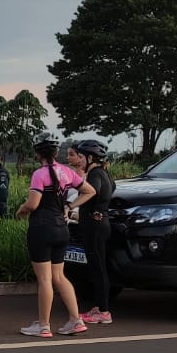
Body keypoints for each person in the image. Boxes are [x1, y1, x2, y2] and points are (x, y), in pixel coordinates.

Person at [16, 139, 96, 337]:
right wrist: (69, 206)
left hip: (42, 228)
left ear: (38, 155)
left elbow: (33, 204)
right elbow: (89, 191)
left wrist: (21, 210)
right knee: (59, 276)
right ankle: (75, 320)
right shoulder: (67, 172)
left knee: (44, 279)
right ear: (56, 153)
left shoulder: (39, 174)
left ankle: (43, 325)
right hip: (62, 227)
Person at [67, 139, 115, 324]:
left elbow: (91, 193)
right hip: (101, 224)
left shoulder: (95, 174)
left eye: (81, 157)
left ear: (90, 157)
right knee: (98, 268)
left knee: (98, 269)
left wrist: (70, 205)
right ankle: (100, 306)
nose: (79, 160)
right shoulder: (105, 173)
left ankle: (104, 312)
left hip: (94, 227)